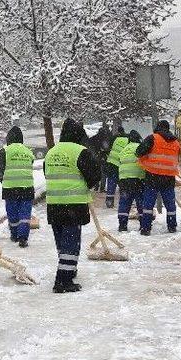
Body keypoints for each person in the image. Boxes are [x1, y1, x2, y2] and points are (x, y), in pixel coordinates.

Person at [44, 118, 101, 293]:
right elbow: (94, 175)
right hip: (73, 205)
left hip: (54, 204)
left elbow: (47, 173)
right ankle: (63, 281)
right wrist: (88, 184)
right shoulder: (80, 152)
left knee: (62, 242)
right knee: (71, 243)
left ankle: (68, 268)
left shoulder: (51, 152)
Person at [136, 120, 181, 236]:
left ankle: (146, 228)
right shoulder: (176, 142)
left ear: (158, 127)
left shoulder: (152, 138)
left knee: (148, 204)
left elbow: (139, 152)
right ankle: (172, 227)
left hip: (153, 176)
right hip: (169, 178)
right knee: (170, 205)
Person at [0, 126, 35, 248]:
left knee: (12, 212)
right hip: (27, 188)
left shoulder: (5, 151)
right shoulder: (28, 151)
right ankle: (23, 237)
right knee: (25, 213)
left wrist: (3, 180)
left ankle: (14, 234)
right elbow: (31, 164)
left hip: (10, 188)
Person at [117, 130, 145, 232]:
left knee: (124, 202)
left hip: (124, 180)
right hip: (138, 179)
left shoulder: (124, 149)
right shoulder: (140, 148)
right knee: (140, 202)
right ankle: (143, 224)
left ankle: (122, 225)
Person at [105, 126, 128, 208]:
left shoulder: (115, 138)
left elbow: (107, 148)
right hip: (121, 165)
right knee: (122, 184)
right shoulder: (128, 140)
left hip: (111, 163)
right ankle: (124, 201)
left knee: (111, 183)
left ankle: (109, 201)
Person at [89, 124, 113, 193]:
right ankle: (102, 188)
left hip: (95, 158)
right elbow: (106, 148)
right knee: (103, 173)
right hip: (102, 158)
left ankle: (96, 187)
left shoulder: (93, 138)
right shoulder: (104, 139)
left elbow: (89, 146)